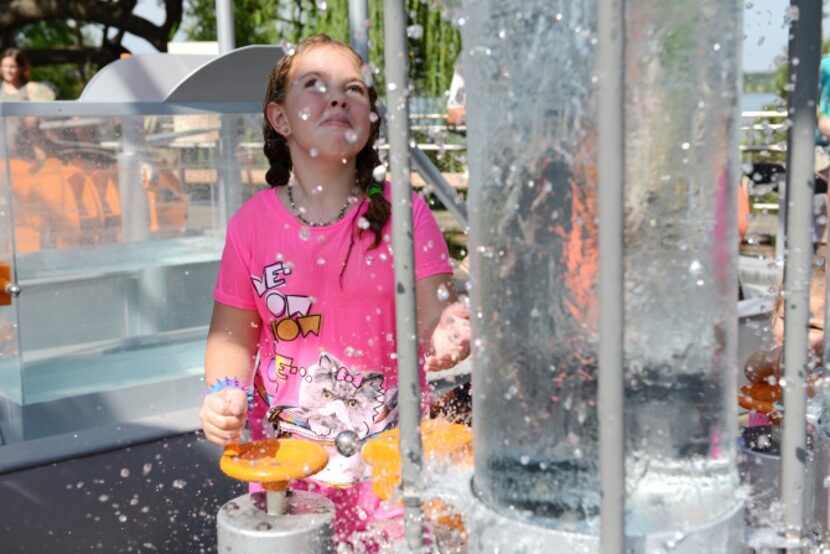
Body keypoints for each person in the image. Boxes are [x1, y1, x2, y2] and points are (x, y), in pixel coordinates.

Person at [198, 35, 471, 546]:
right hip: (287, 473)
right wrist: (222, 394)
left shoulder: (404, 213)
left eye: (353, 89)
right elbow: (231, 339)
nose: (338, 97)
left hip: (391, 468)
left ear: (369, 122)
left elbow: (437, 314)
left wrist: (447, 332)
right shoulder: (251, 227)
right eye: (315, 85)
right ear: (280, 119)